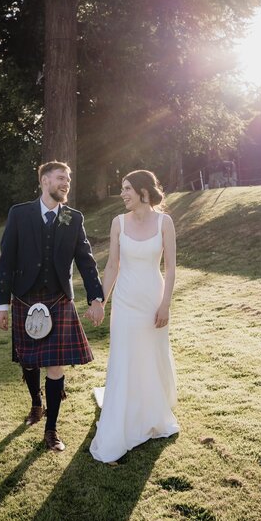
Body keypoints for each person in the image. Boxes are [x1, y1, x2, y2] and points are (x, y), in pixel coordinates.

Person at [0, 161, 104, 452]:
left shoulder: (73, 217)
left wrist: (96, 298)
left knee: (55, 366)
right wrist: (0, 305)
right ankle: (36, 402)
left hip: (58, 299)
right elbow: (6, 261)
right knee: (29, 361)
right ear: (44, 181)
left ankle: (51, 429)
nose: (66, 183)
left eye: (68, 179)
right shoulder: (19, 214)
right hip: (24, 298)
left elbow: (85, 260)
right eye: (60, 178)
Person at [89, 169, 179, 463]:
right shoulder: (118, 223)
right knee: (125, 355)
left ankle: (151, 412)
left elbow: (171, 269)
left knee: (152, 353)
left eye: (127, 188)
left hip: (153, 298)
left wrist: (165, 305)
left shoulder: (165, 222)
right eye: (122, 188)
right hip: (126, 301)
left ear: (143, 191)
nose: (123, 194)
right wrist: (101, 300)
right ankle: (123, 411)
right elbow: (113, 266)